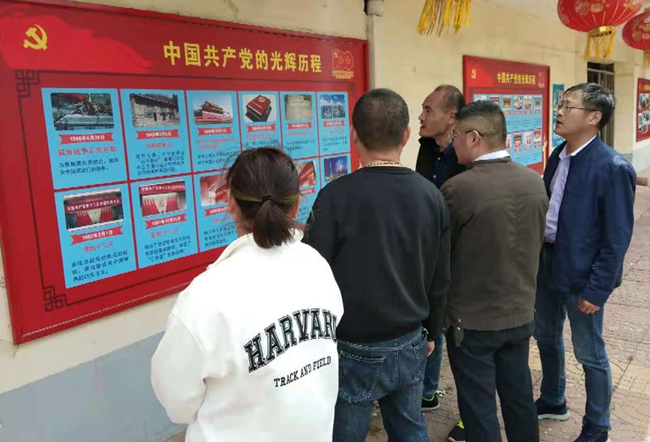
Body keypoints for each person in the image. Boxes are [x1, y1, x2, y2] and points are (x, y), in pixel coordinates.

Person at [151, 148, 344, 442]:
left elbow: (176, 400)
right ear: (296, 206)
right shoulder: (317, 266)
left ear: (230, 201)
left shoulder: (204, 297)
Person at [303, 88, 450, 442]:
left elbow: (312, 271)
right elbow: (440, 276)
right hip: (412, 338)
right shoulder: (431, 195)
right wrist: (432, 330)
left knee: (346, 432)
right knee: (410, 426)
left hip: (353, 345)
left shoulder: (335, 196)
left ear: (354, 135)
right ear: (406, 135)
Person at [534, 83, 636, 442]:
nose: (559, 111)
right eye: (560, 104)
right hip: (547, 262)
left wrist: (598, 288)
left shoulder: (612, 166)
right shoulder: (559, 154)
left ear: (594, 117)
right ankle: (552, 399)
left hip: (582, 273)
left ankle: (597, 425)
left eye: (568, 106)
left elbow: (617, 236)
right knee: (545, 336)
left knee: (589, 352)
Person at [441, 100, 548, 442]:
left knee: (479, 408)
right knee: (519, 398)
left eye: (456, 136)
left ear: (474, 138)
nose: (453, 143)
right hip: (520, 314)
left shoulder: (458, 189)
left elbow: (440, 256)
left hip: (472, 322)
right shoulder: (534, 182)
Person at [415, 84, 466, 442]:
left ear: (451, 118)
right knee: (429, 323)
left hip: (461, 259)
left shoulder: (467, 156)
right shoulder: (425, 149)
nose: (421, 116)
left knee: (461, 337)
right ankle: (427, 391)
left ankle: (472, 413)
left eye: (428, 109)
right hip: (428, 254)